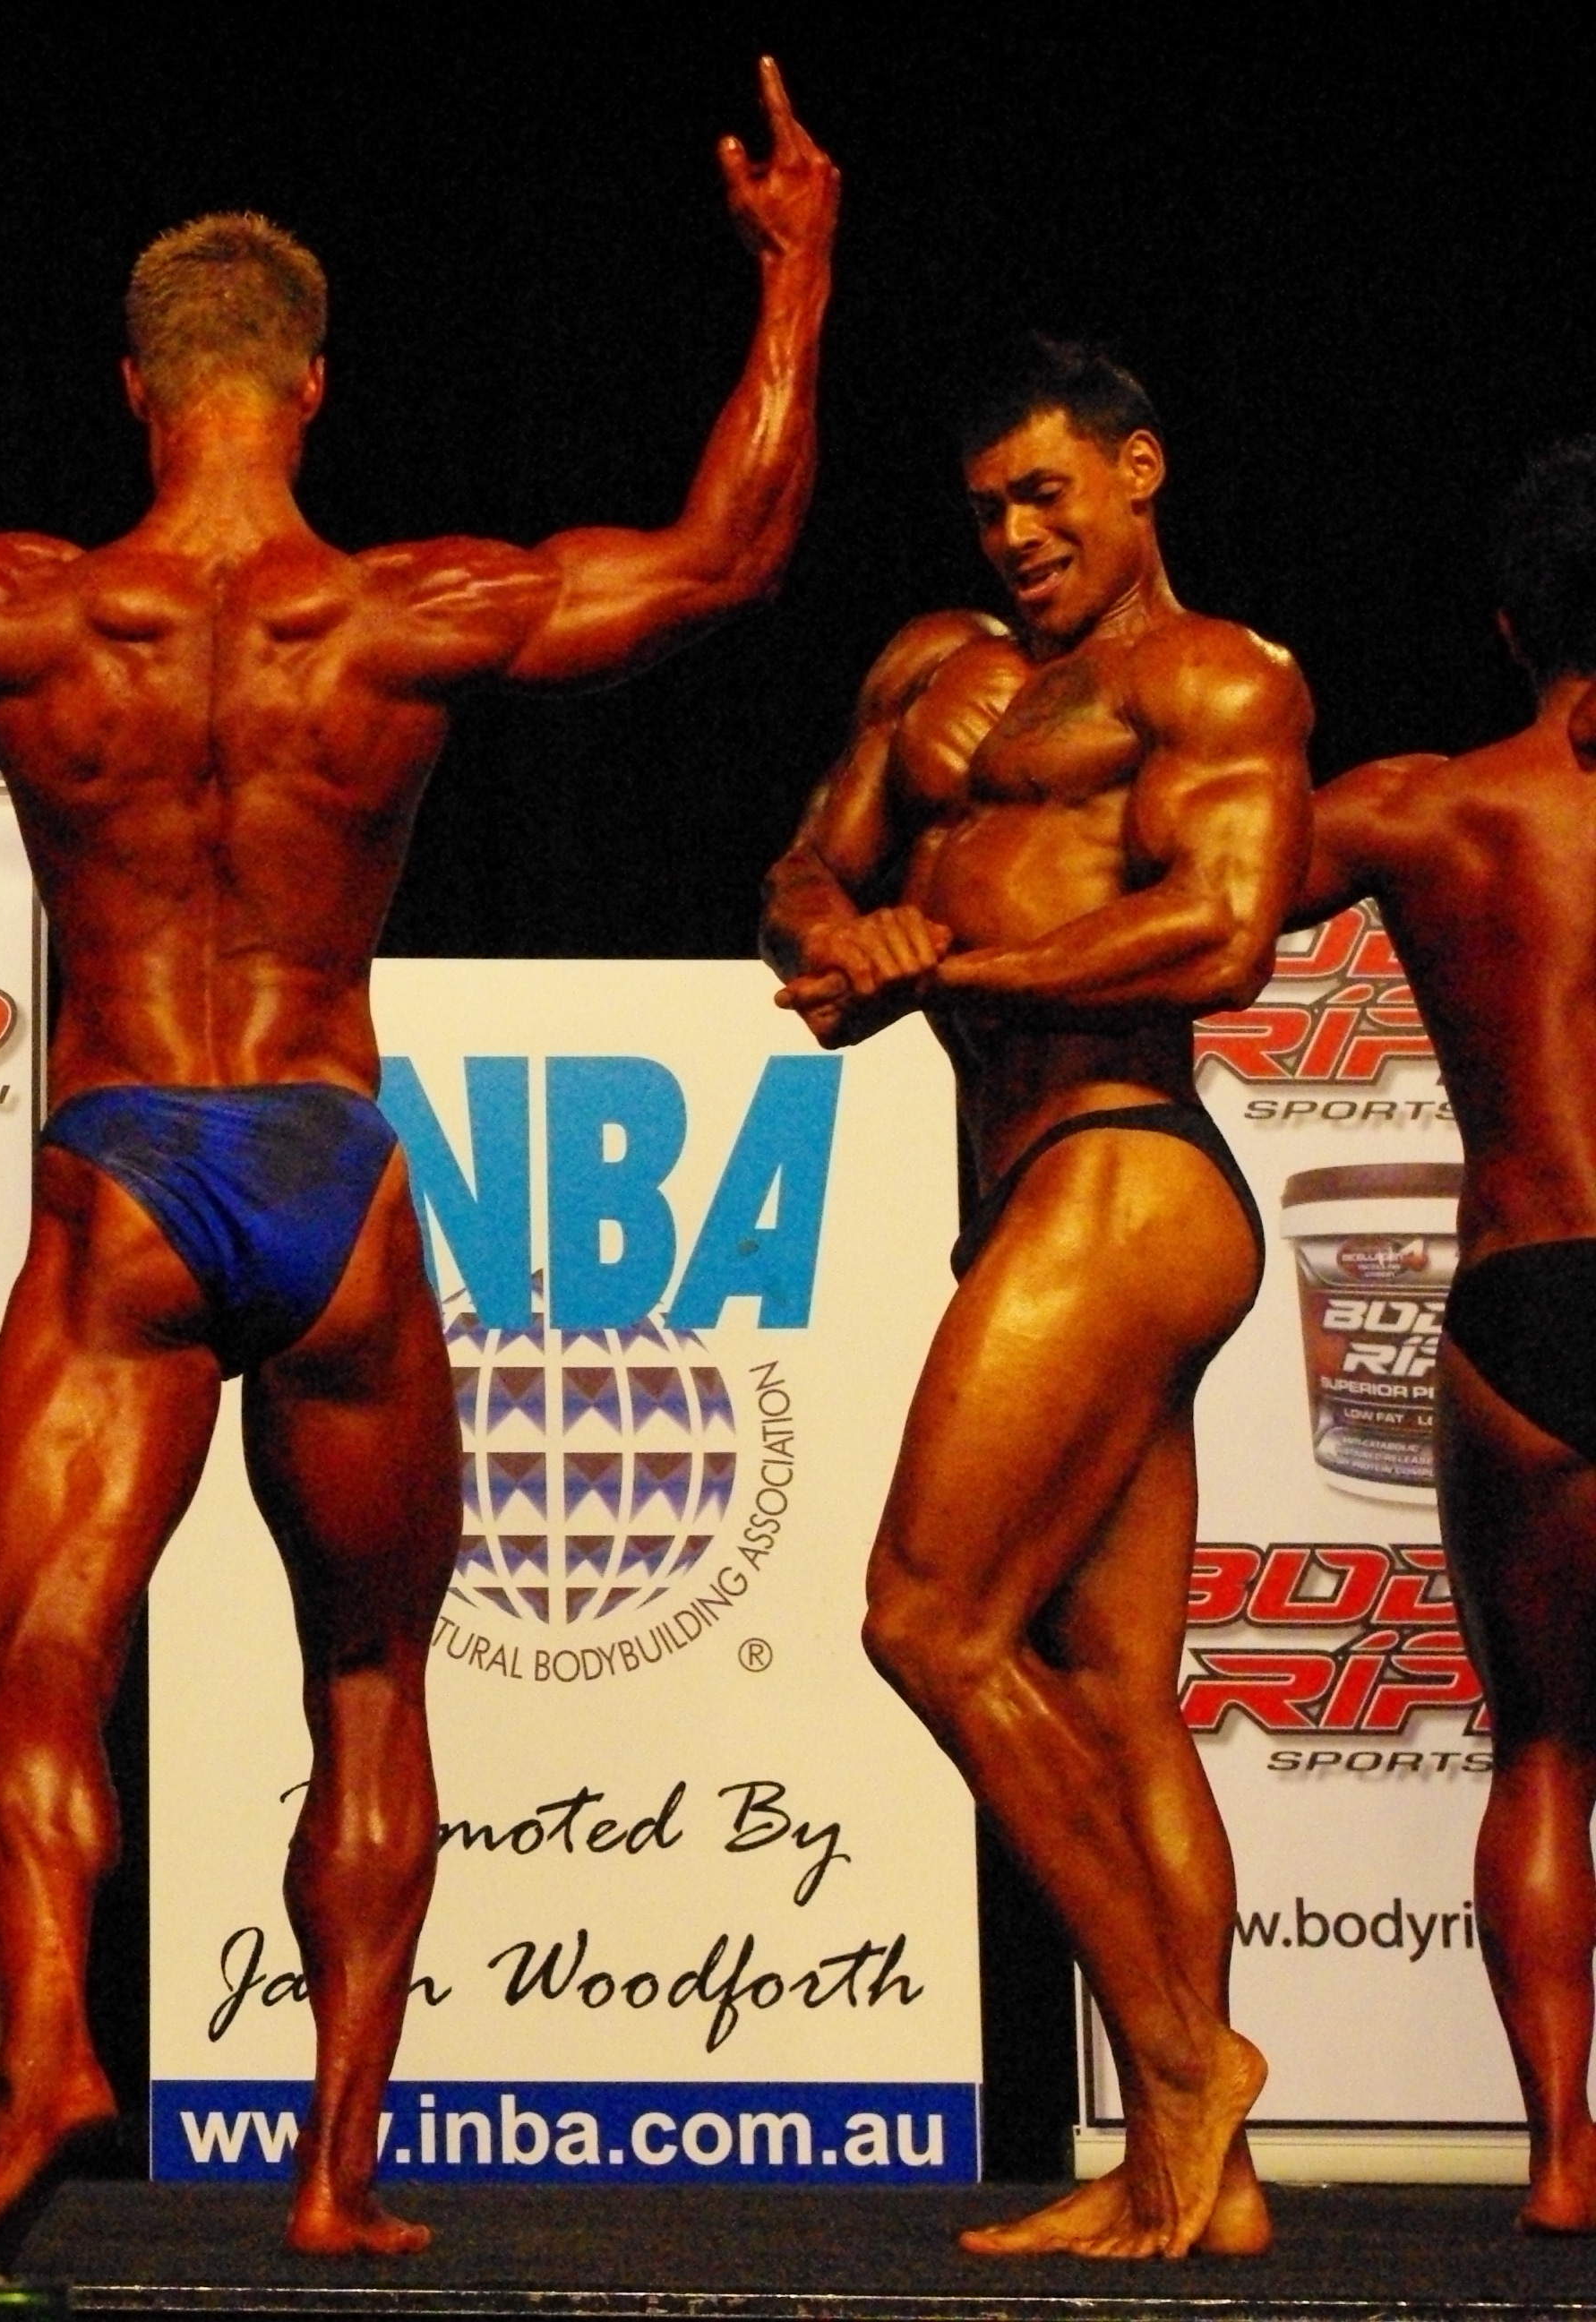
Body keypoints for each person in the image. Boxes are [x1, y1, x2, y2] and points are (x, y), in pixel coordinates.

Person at [0, 61, 837, 2266]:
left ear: (134, 391)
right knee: (368, 1684)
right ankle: (335, 2178)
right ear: (312, 388)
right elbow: (724, 557)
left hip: (130, 1178)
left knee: (37, 1666)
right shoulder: (400, 613)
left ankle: (45, 2068)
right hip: (330, 1169)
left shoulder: (35, 611)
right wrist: (794, 278)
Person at [761, 340, 1309, 2258]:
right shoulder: (930, 668)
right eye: (990, 505)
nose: (1015, 535)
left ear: (1138, 473)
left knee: (927, 1618)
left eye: (1047, 495)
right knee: (1115, 1700)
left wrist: (964, 972)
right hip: (1029, 1189)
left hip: (1126, 1166)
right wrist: (848, 936)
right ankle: (1201, 2184)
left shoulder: (1212, 678)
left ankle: (1184, 2062)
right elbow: (802, 873)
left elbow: (1225, 933)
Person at [1290, 438, 1596, 2233]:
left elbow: (1198, 900)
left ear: (1506, 627)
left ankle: (1561, 2159)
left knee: (1544, 1750)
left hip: (1521, 1297)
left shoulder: (1425, 807)